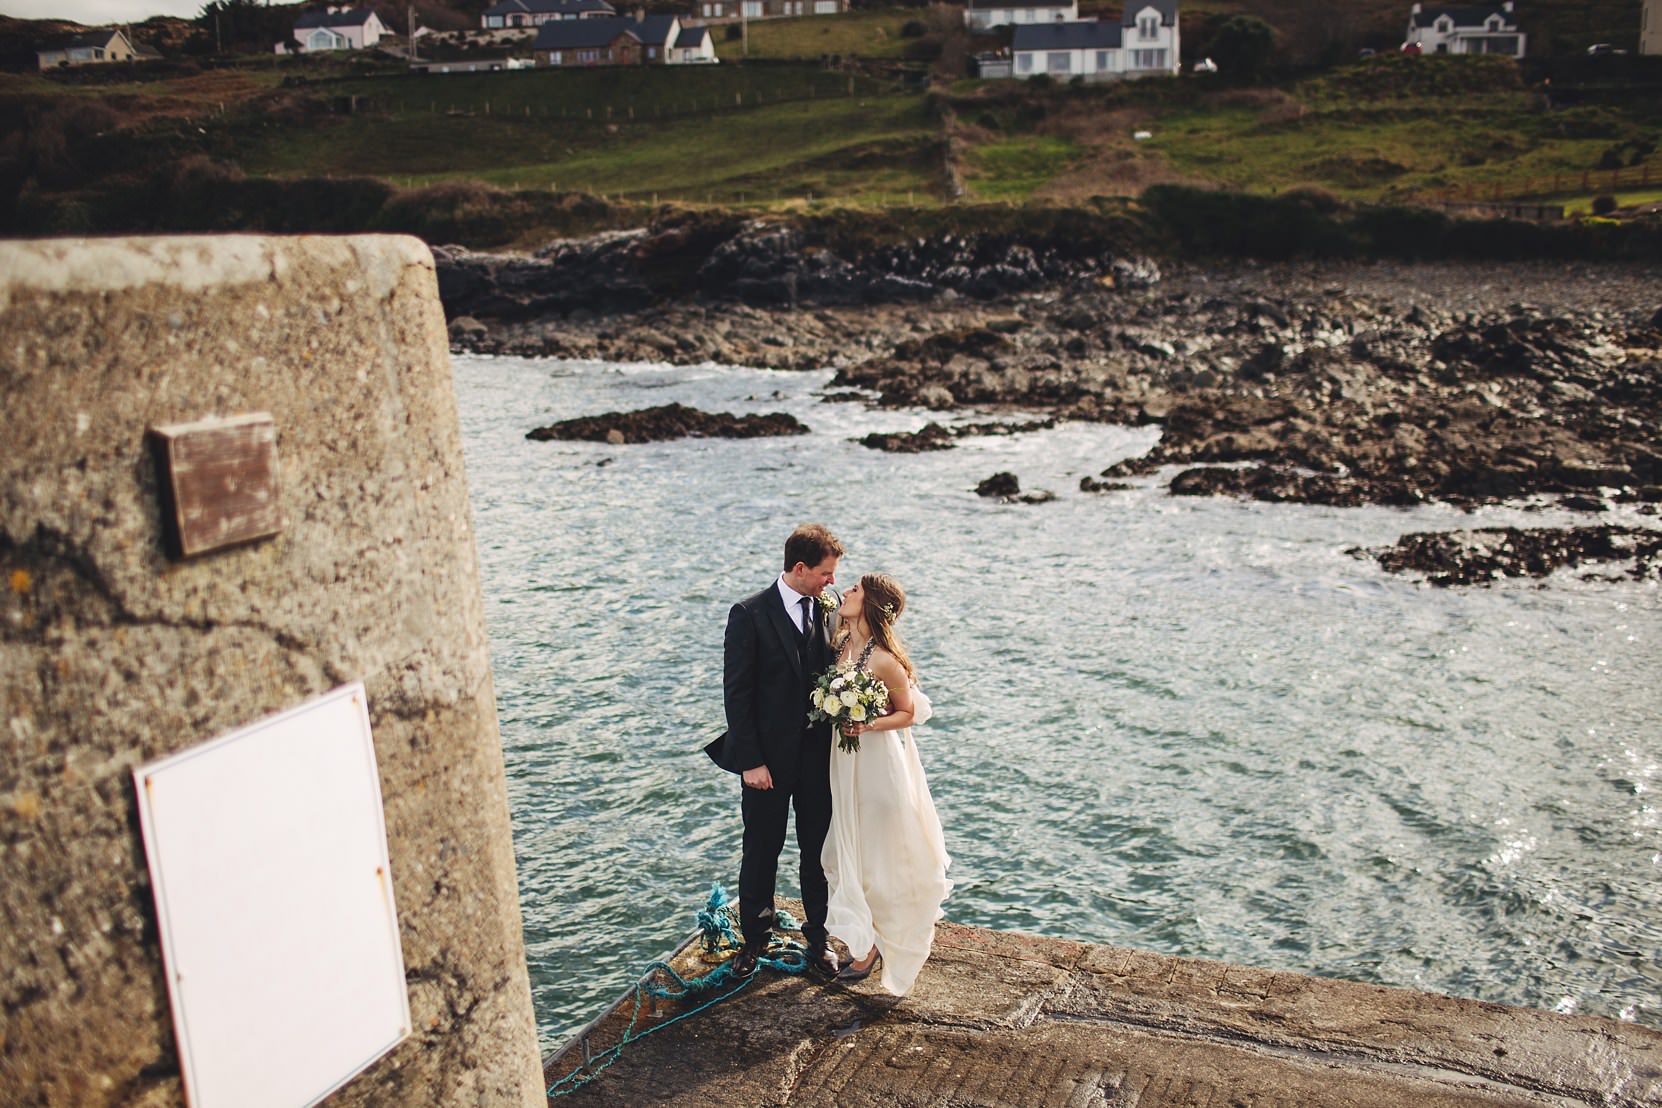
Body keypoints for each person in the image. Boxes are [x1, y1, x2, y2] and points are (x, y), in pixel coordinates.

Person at [705, 523, 844, 978]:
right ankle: (754, 941)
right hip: (765, 761)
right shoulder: (749, 613)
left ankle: (819, 939)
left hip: (817, 759)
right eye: (826, 573)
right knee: (761, 850)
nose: (833, 582)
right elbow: (737, 695)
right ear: (799, 568)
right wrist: (750, 761)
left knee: (816, 852)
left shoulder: (831, 607)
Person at [821, 573, 951, 994]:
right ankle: (865, 937)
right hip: (843, 763)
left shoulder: (884, 660)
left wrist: (865, 723)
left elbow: (908, 713)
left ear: (871, 603)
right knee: (846, 851)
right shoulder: (841, 643)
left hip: (878, 766)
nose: (847, 593)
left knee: (877, 856)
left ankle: (874, 945)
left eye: (855, 589)